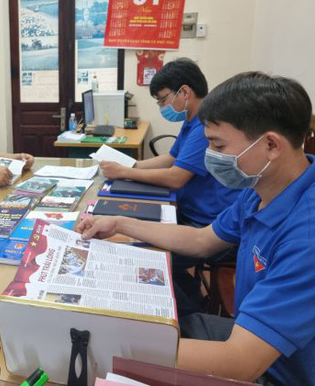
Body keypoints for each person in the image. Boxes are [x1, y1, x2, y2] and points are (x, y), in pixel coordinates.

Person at [77, 72, 315, 384]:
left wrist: (103, 346)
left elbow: (240, 363)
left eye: (218, 144)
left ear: (271, 144)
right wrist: (120, 223)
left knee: (98, 362)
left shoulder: (305, 238)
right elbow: (202, 239)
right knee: (158, 323)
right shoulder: (263, 189)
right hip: (248, 338)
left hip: (277, 373)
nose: (210, 155)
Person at [100, 58, 239, 227]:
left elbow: (176, 178)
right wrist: (132, 165)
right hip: (188, 208)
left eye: (162, 100)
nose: (161, 106)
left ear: (185, 92)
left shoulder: (205, 125)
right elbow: (172, 157)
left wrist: (124, 172)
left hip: (204, 221)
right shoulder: (192, 119)